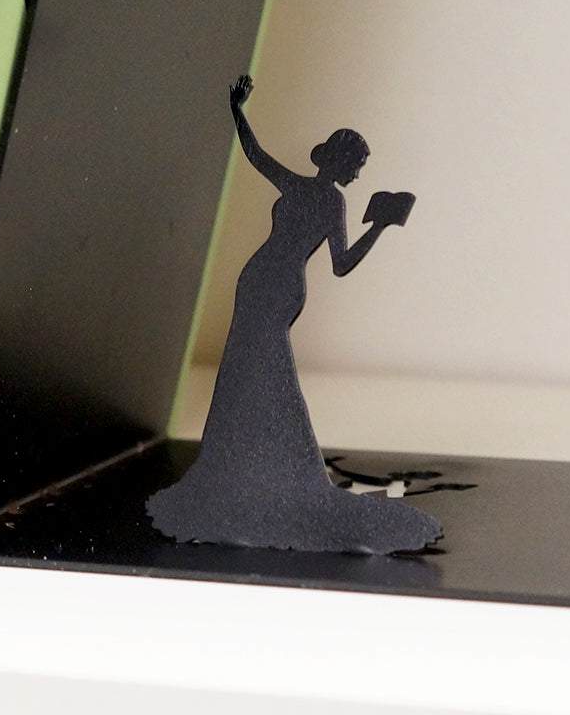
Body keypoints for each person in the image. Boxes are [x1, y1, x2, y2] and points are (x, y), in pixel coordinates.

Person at [147, 76, 441, 553]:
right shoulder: (328, 198)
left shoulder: (319, 195)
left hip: (269, 281)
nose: (358, 175)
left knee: (259, 366)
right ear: (341, 160)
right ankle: (243, 466)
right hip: (268, 282)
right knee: (253, 366)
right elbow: (257, 155)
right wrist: (236, 110)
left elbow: (338, 261)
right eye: (357, 165)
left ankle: (253, 465)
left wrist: (381, 225)